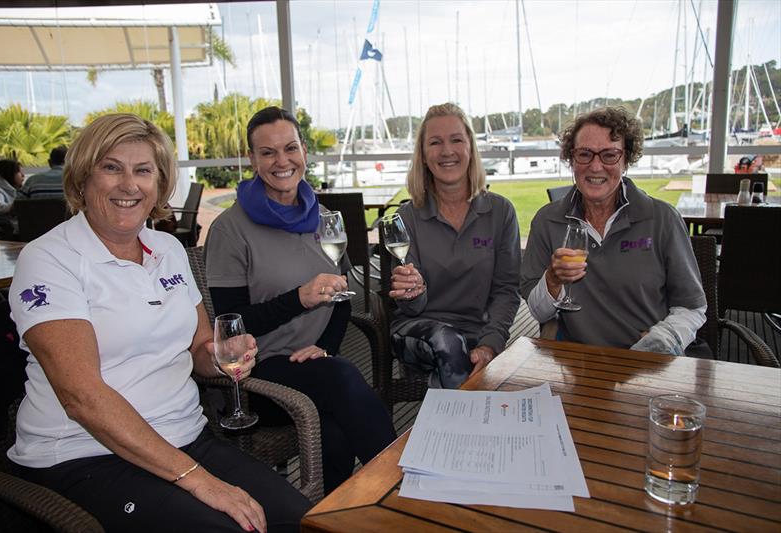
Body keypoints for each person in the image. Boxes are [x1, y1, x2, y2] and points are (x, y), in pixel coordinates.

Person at [7, 113, 310, 533]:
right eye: (111, 167)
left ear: (159, 183)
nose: (129, 185)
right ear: (82, 177)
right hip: (85, 454)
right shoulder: (49, 259)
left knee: (302, 520)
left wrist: (223, 355)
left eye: (143, 170)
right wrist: (197, 480)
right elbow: (82, 396)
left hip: (185, 436)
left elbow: (201, 352)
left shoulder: (167, 248)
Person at [205, 106, 397, 495]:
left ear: (304, 151)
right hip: (256, 374)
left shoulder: (324, 218)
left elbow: (341, 298)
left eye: (290, 148)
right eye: (268, 152)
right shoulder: (230, 229)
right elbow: (232, 324)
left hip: (313, 367)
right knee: (341, 380)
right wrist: (299, 299)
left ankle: (335, 516)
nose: (282, 161)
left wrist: (323, 349)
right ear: (252, 160)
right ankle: (406, 489)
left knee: (333, 420)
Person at [521, 106, 706, 356]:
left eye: (609, 155)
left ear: (626, 159)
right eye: (584, 154)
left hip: (650, 364)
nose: (596, 167)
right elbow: (539, 313)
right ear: (571, 159)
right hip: (580, 364)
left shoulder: (662, 219)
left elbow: (692, 307)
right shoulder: (547, 221)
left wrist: (661, 341)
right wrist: (552, 280)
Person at [388, 103, 521, 389]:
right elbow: (411, 308)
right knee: (448, 343)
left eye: (456, 140)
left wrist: (490, 345)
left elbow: (506, 291)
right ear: (423, 156)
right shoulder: (406, 218)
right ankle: (465, 427)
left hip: (477, 331)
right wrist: (412, 293)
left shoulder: (501, 212)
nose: (447, 151)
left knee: (471, 353)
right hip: (417, 330)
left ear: (471, 148)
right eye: (435, 142)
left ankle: (444, 421)